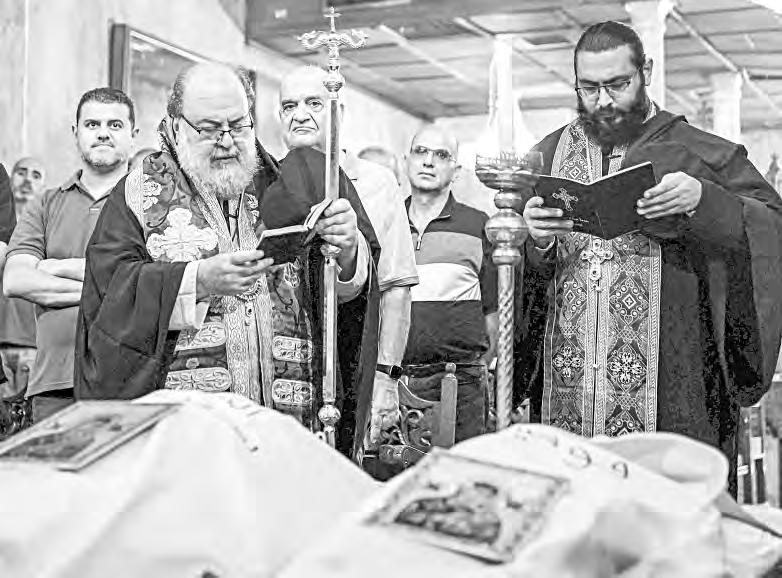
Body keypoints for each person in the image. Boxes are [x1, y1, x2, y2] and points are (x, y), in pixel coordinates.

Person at [515, 21, 782, 493]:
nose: (603, 101)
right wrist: (535, 241)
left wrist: (705, 200)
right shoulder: (546, 156)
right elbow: (517, 279)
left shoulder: (701, 151)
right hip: (567, 392)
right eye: (589, 88)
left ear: (647, 73)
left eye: (618, 84)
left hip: (677, 389)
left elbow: (770, 226)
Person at [74, 62, 381, 458]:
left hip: (286, 426)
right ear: (176, 126)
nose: (226, 141)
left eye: (238, 125)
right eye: (209, 129)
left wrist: (349, 249)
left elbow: (338, 303)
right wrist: (196, 280)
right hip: (189, 443)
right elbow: (108, 296)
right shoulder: (138, 193)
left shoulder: (284, 185)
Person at [277, 66, 419, 446]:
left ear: (338, 112)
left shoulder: (376, 182)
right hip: (287, 368)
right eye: (289, 106)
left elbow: (396, 287)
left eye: (314, 103)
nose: (299, 114)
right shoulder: (269, 182)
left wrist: (386, 379)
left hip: (353, 356)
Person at [3, 88, 137, 422]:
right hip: (54, 382)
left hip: (134, 383)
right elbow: (16, 280)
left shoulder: (152, 206)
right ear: (76, 133)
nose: (103, 133)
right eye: (92, 124)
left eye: (115, 125)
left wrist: (53, 267)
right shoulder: (46, 203)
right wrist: (115, 288)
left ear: (133, 135)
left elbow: (157, 284)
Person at [402, 125, 498, 442]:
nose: (429, 161)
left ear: (456, 171)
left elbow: (495, 311)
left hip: (461, 382)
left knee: (460, 468)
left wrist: (479, 367)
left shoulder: (478, 225)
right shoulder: (387, 222)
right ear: (406, 161)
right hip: (395, 380)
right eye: (421, 151)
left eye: (441, 155)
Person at [0, 157, 46, 404]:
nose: (27, 180)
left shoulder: (46, 231)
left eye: (36, 175)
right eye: (21, 172)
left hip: (33, 347)